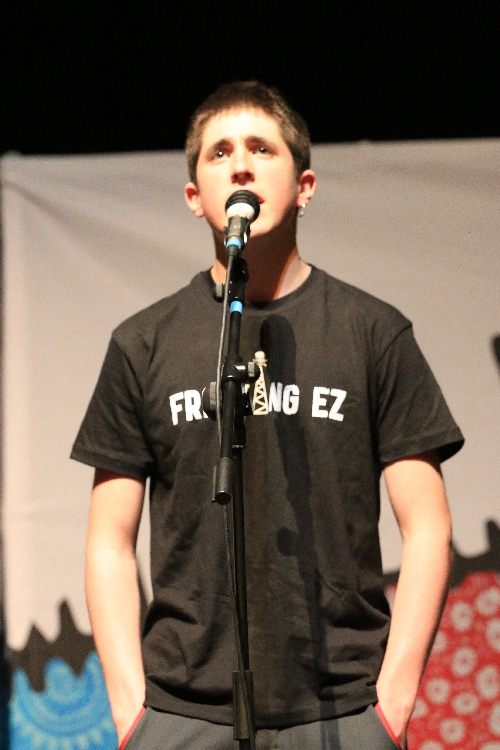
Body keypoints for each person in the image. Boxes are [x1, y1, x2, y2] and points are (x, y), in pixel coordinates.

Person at [71, 81, 464, 750]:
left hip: (341, 711)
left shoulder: (373, 333)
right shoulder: (143, 343)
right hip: (181, 713)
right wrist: (131, 708)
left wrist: (393, 701)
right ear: (194, 197)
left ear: (305, 186)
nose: (241, 166)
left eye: (261, 148)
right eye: (219, 152)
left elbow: (427, 526)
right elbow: (109, 540)